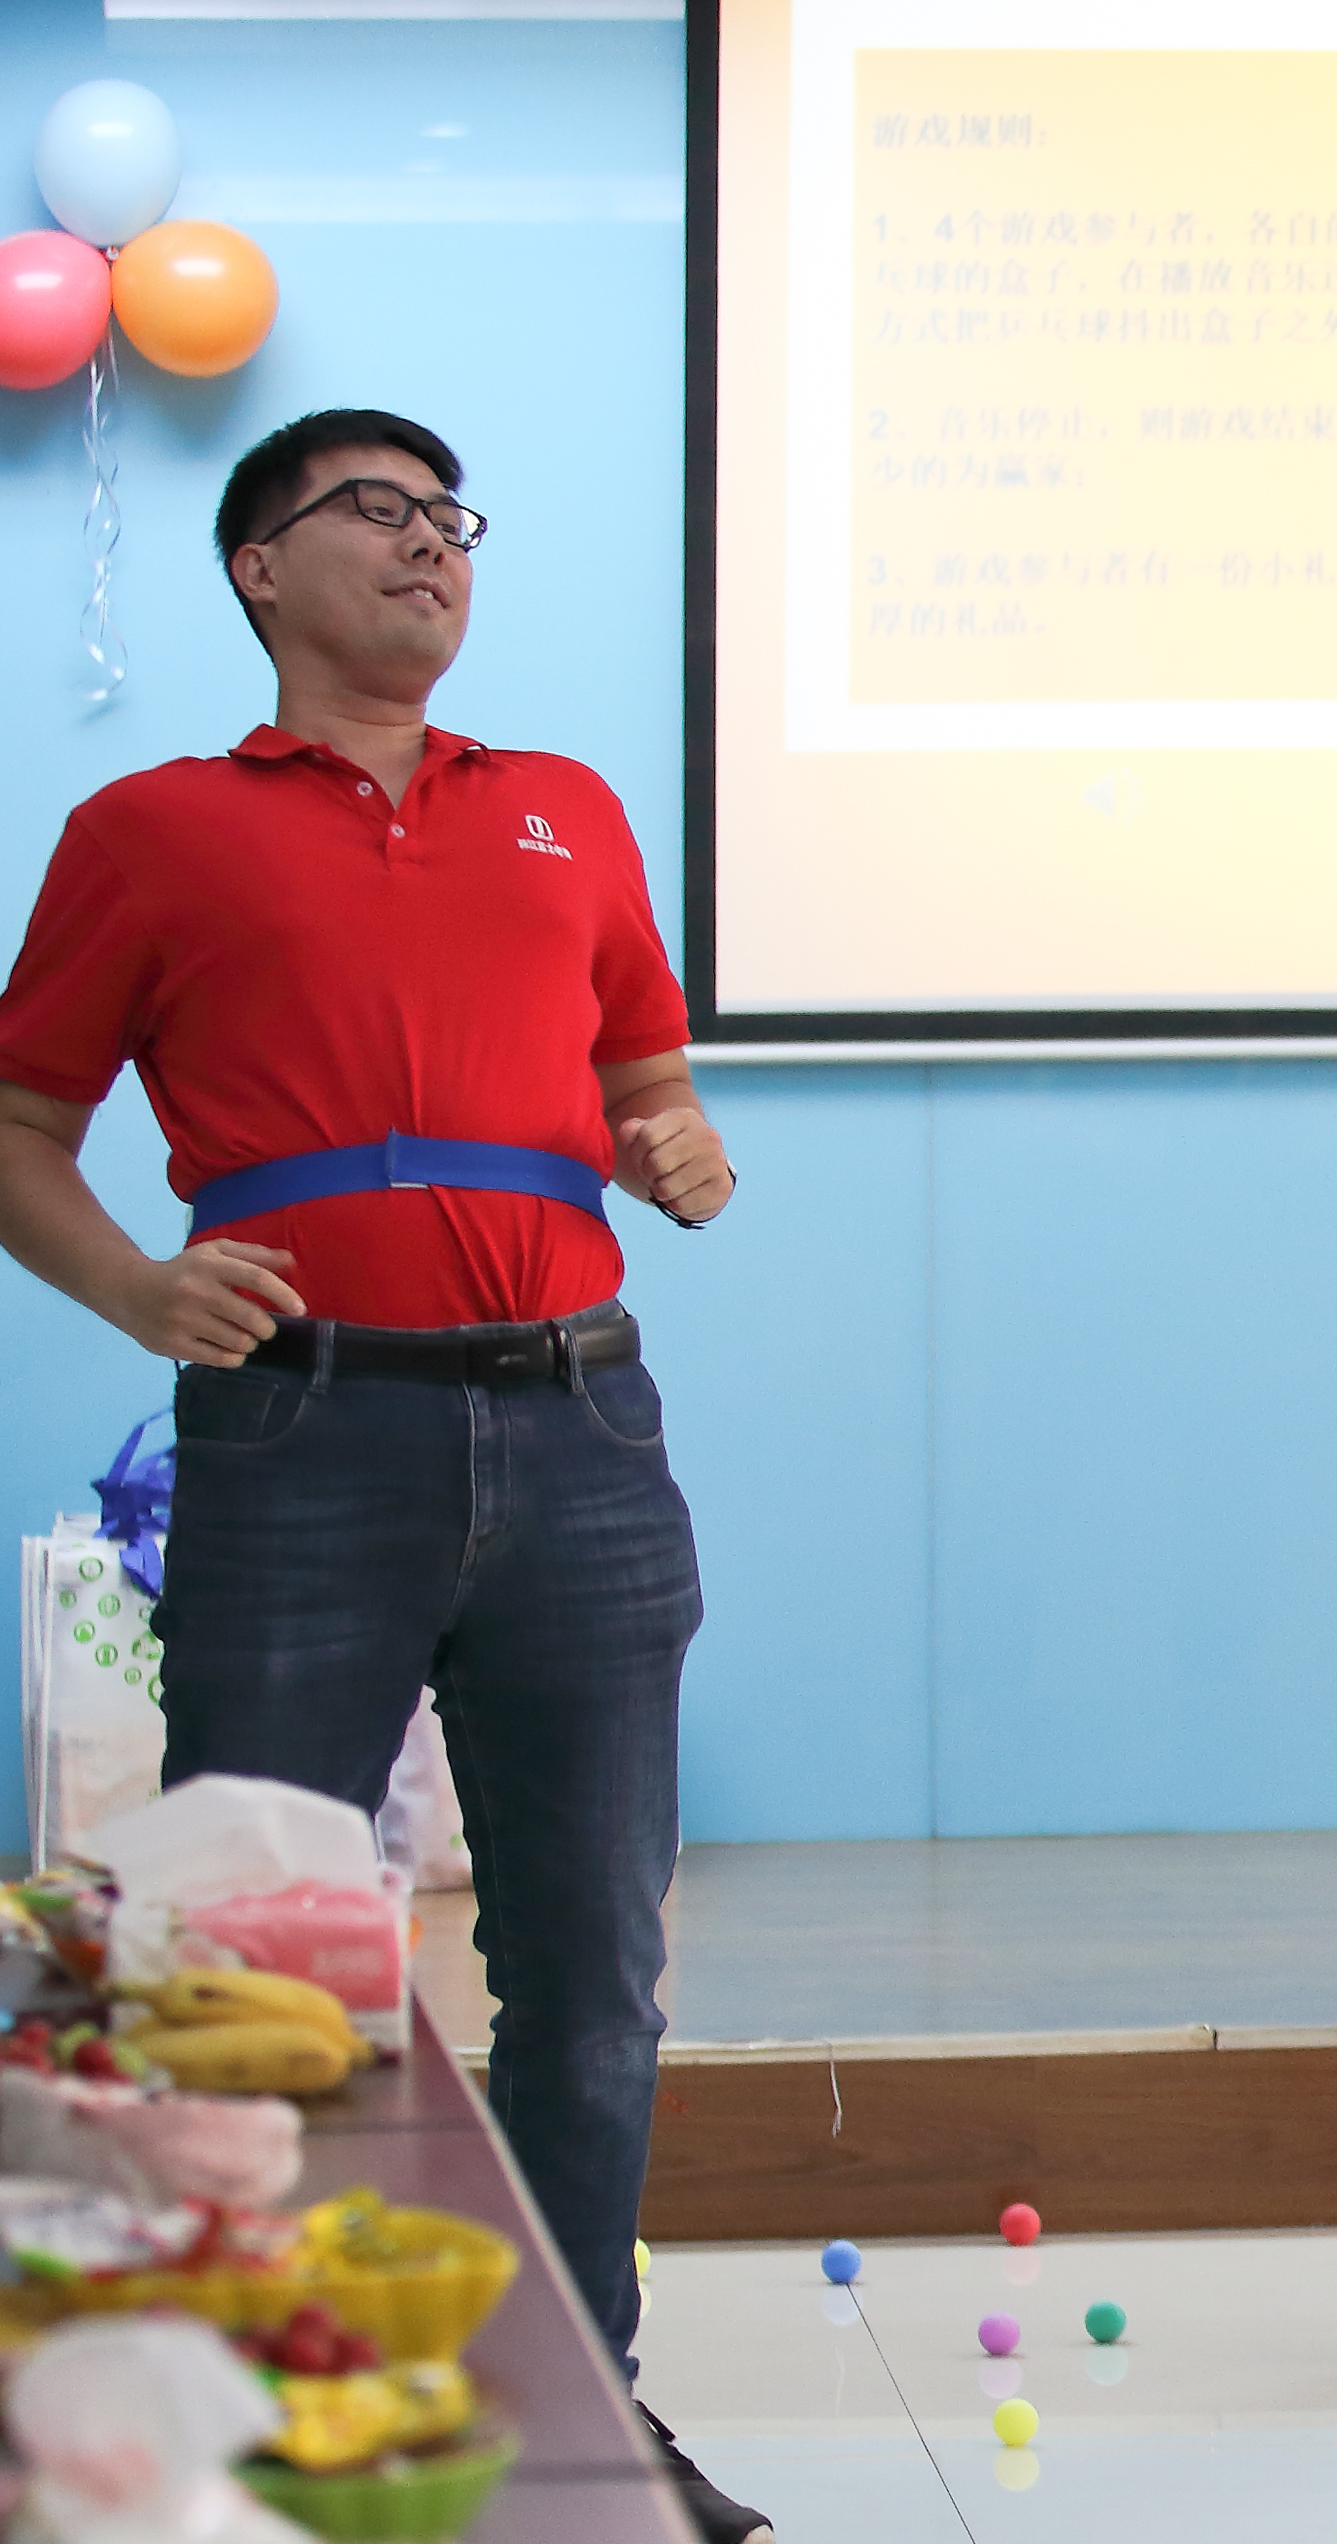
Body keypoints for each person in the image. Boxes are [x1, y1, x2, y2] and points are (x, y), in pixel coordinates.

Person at [0, 411, 767, 2542]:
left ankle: (580, 2407)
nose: (433, 545)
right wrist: (137, 1287)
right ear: (260, 567)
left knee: (592, 1982)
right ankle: (259, 2410)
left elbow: (643, 1068)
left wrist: (676, 1141)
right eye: (378, 511)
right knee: (252, 1964)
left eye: (452, 518)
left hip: (582, 1431)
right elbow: (19, 1123)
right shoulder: (153, 829)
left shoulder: (565, 808)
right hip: (304, 1438)